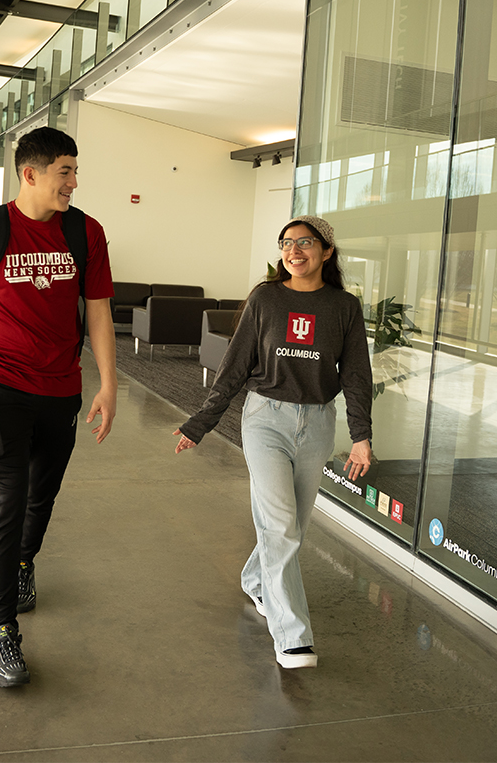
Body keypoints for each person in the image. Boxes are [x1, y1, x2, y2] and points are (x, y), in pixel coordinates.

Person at [0, 127, 117, 688]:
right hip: (1, 387)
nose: (74, 183)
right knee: (6, 498)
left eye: (76, 172)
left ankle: (23, 562)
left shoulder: (87, 233)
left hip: (62, 390)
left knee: (42, 495)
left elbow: (100, 314)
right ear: (30, 173)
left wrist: (108, 384)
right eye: (65, 172)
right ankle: (1, 630)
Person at [174, 215, 372, 669]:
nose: (294, 250)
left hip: (318, 422)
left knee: (291, 528)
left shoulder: (344, 307)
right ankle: (292, 636)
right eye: (286, 243)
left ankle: (256, 580)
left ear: (327, 251)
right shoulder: (266, 298)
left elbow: (358, 375)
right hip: (266, 418)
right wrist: (201, 422)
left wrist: (361, 436)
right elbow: (236, 363)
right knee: (281, 526)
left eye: (305, 242)